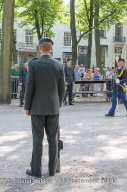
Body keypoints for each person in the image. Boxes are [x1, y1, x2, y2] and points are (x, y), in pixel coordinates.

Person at [24, 37, 65, 178]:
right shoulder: (59, 65)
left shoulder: (33, 65)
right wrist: (57, 105)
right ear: (51, 49)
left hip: (37, 107)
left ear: (40, 48)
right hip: (53, 107)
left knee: (37, 138)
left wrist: (27, 106)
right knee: (53, 139)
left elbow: (29, 87)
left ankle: (36, 170)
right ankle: (52, 170)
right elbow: (61, 89)